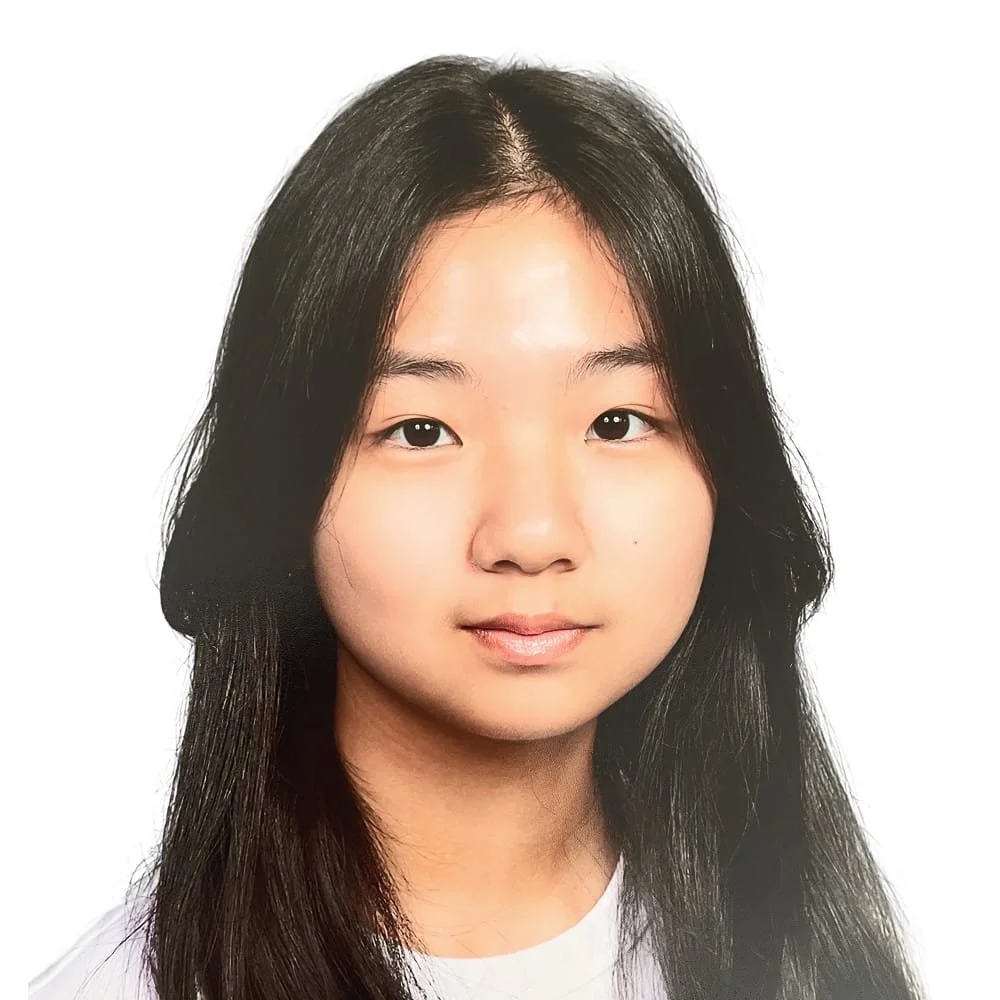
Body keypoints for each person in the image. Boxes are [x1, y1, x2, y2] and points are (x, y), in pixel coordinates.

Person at [29, 54, 926, 1000]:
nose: (532, 534)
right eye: (421, 430)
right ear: (281, 481)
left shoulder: (808, 960)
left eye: (616, 422)